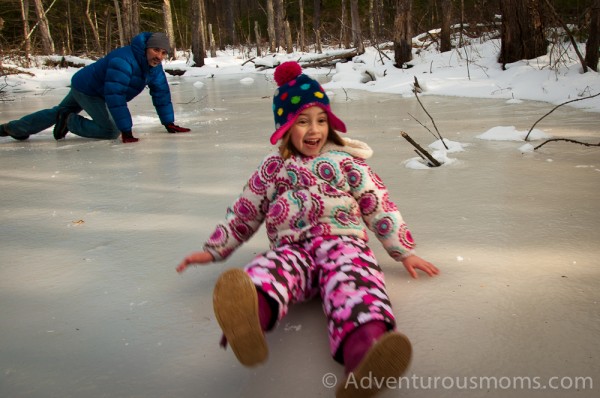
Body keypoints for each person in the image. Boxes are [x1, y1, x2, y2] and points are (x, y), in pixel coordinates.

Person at [176, 61, 439, 398]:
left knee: (357, 286)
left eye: (320, 120)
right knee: (267, 271)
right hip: (292, 250)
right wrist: (215, 248)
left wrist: (404, 251)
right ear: (285, 127)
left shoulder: (347, 162)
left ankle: (366, 356)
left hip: (344, 245)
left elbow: (378, 204)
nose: (313, 130)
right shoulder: (273, 167)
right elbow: (246, 210)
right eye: (302, 122)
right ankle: (248, 317)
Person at [0, 32, 190, 143]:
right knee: (110, 131)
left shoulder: (153, 67)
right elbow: (115, 95)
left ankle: (12, 129)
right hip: (90, 90)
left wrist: (168, 122)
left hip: (83, 84)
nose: (160, 56)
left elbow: (161, 93)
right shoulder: (123, 61)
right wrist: (125, 130)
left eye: (164, 52)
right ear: (146, 48)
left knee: (57, 112)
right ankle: (69, 121)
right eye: (156, 50)